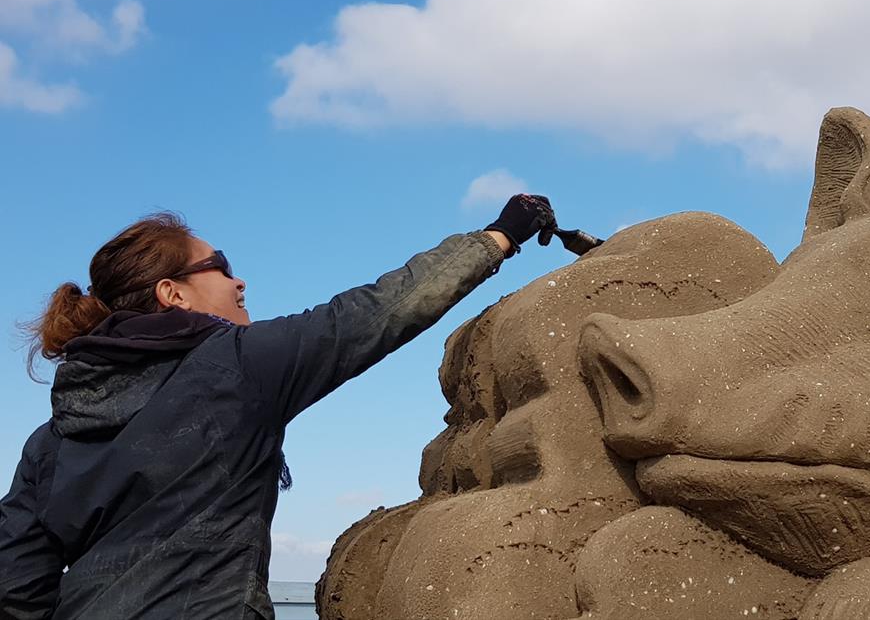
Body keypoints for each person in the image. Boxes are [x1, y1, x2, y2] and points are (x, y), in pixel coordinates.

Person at [0, 194, 556, 619]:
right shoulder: (235, 366)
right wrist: (500, 236)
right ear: (174, 294)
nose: (239, 280)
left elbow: (15, 583)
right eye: (219, 265)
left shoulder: (50, 439)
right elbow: (374, 314)